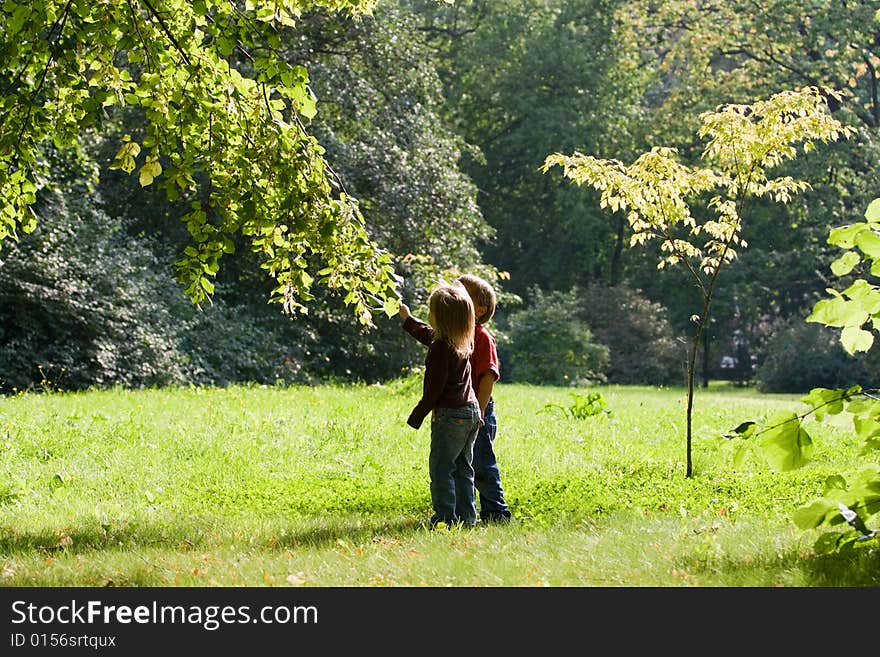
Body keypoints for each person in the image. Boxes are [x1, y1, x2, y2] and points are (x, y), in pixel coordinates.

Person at [399, 282, 482, 528]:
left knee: (442, 469)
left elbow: (433, 390)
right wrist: (408, 319)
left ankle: (444, 519)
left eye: (431, 311)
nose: (429, 315)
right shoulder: (462, 342)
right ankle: (468, 519)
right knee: (463, 468)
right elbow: (429, 334)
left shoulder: (440, 349)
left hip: (451, 416)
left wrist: (417, 415)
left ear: (440, 317)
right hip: (471, 412)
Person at [457, 274, 513, 523]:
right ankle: (460, 510)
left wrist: (478, 412)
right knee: (460, 464)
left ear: (480, 309)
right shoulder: (456, 337)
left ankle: (496, 511)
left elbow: (488, 377)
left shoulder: (482, 338)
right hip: (458, 411)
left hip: (478, 411)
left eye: (461, 295)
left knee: (481, 463)